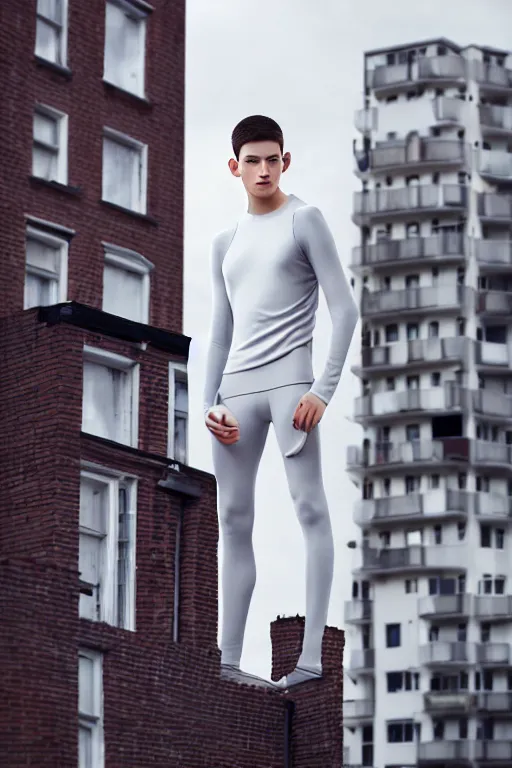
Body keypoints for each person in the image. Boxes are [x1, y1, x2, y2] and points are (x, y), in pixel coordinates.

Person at [203, 115, 359, 689]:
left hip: (293, 385)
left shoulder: (306, 220)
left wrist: (323, 389)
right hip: (236, 391)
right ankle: (226, 663)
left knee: (310, 509)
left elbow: (344, 309)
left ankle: (311, 660)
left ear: (285, 161)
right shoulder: (226, 242)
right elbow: (219, 332)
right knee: (232, 518)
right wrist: (208, 402)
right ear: (235, 166)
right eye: (252, 160)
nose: (263, 170)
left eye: (273, 159)